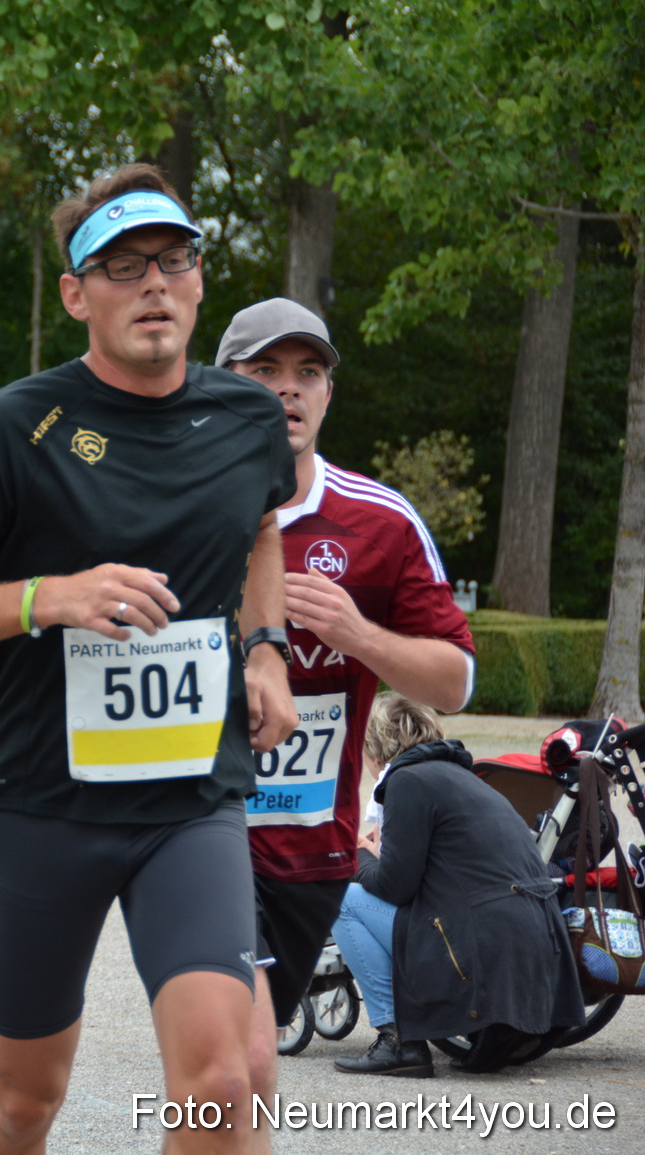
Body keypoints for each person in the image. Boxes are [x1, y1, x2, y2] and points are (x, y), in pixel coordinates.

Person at [0, 165, 297, 1155]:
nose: (152, 284)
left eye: (171, 260)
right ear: (75, 294)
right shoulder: (7, 428)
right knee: (28, 1097)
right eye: (119, 267)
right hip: (41, 806)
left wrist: (269, 650)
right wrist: (46, 599)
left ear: (199, 280)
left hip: (190, 802)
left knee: (226, 1084)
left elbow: (262, 531)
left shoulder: (245, 420)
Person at [212, 298, 475, 1139]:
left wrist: (356, 632)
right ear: (225, 383)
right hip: (194, 826)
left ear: (327, 395)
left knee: (242, 1059)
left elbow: (458, 679)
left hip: (312, 840)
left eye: (308, 373)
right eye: (265, 371)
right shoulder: (170, 506)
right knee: (238, 1060)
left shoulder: (380, 520)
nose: (288, 390)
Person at [330, 694, 585, 1077]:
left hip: (484, 940)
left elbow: (395, 887)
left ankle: (398, 1040)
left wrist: (359, 852)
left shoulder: (407, 781)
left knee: (343, 899)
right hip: (535, 939)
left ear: (375, 747)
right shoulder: (461, 778)